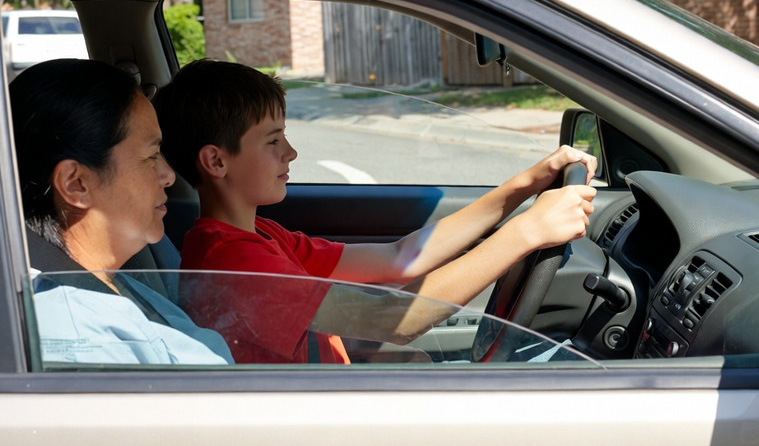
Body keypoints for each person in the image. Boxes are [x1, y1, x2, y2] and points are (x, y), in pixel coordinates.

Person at [154, 59, 597, 364]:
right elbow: (394, 320)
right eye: (273, 141)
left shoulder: (261, 235)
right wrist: (527, 233)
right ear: (216, 161)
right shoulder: (233, 263)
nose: (290, 152)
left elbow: (401, 258)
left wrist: (525, 185)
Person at [10, 58, 233, 365]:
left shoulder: (109, 281)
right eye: (151, 156)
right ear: (77, 183)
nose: (168, 175)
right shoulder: (80, 341)